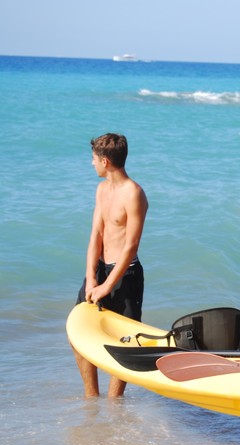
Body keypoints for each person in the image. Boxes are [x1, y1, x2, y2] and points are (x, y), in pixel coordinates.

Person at [70, 133, 149, 398]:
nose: (91, 164)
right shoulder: (102, 189)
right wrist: (91, 278)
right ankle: (91, 398)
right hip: (100, 272)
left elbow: (131, 246)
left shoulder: (134, 194)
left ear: (105, 161)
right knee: (78, 335)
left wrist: (107, 285)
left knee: (124, 343)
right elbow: (96, 234)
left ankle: (115, 404)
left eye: (93, 160)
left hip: (125, 275)